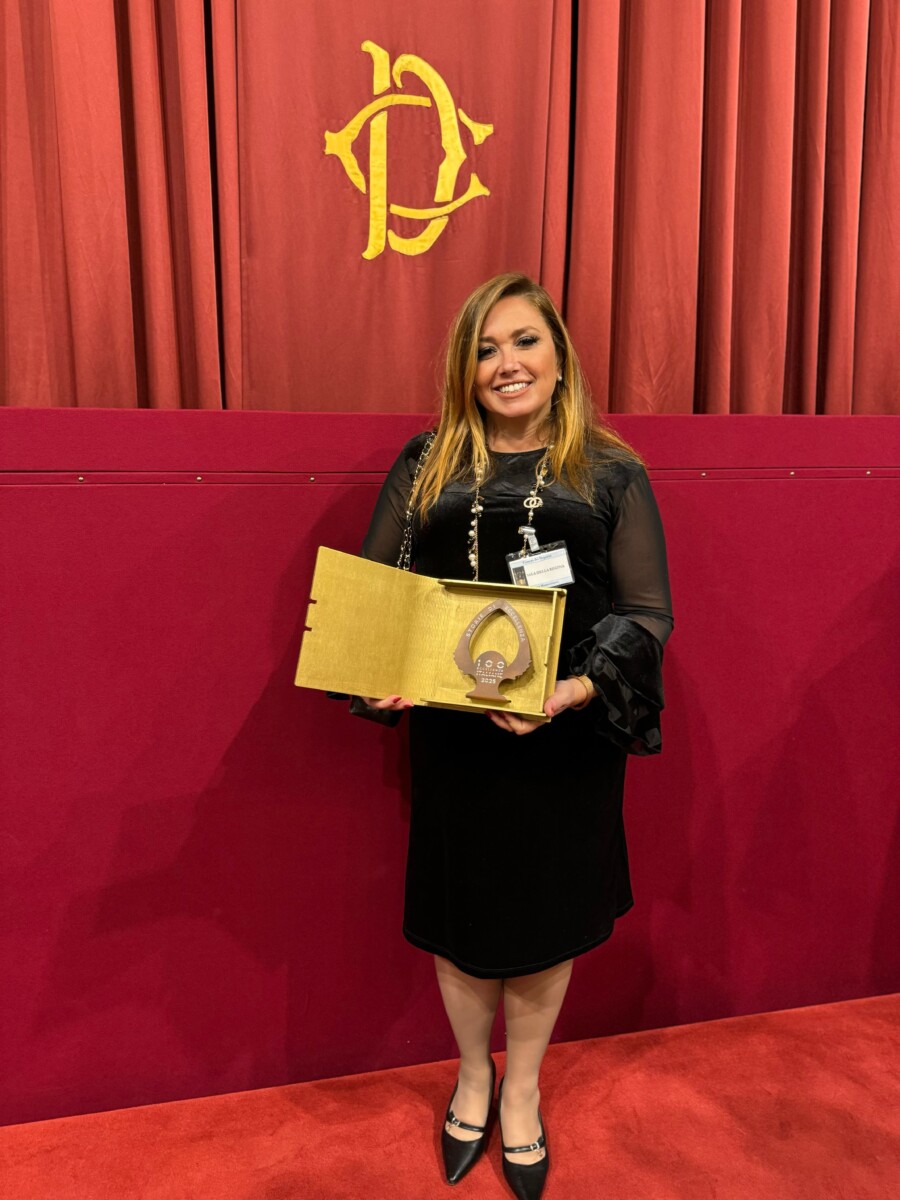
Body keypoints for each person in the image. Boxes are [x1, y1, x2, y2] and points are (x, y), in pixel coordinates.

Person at [355, 273, 673, 1198]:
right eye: (485, 349)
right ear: (464, 368)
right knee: (464, 918)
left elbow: (647, 613)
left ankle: (522, 1089)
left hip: (564, 739)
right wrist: (376, 673)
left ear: (559, 358)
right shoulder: (426, 462)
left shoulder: (610, 471)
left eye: (525, 341)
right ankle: (472, 1076)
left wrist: (572, 691)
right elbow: (377, 592)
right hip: (455, 738)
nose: (506, 364)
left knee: (544, 919)